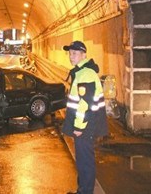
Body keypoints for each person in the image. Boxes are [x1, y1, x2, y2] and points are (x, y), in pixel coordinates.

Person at [62, 40, 108, 194]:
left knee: (85, 161)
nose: (71, 56)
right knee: (82, 160)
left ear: (84, 55)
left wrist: (79, 127)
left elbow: (85, 104)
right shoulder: (81, 72)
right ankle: (82, 190)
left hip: (85, 125)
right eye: (70, 53)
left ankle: (85, 191)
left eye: (74, 53)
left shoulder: (86, 74)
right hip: (86, 124)